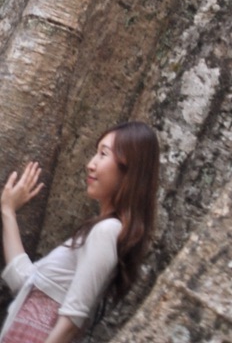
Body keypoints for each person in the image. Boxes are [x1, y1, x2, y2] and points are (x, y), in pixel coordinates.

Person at [0, 124, 158, 342]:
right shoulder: (100, 231)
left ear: (129, 169)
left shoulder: (107, 231)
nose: (90, 164)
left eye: (103, 154)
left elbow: (73, 320)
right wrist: (7, 211)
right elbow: (25, 282)